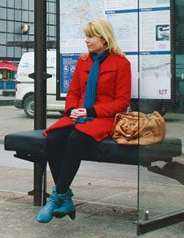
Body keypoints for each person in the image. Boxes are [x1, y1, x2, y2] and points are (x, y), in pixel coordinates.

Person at [37, 18, 131, 223]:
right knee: (53, 137)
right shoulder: (83, 61)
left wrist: (90, 110)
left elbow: (122, 102)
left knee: (76, 138)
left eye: (90, 36)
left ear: (104, 39)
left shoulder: (121, 63)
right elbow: (74, 91)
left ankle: (57, 197)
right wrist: (71, 109)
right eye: (86, 36)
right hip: (78, 115)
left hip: (102, 118)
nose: (86, 40)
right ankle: (66, 197)